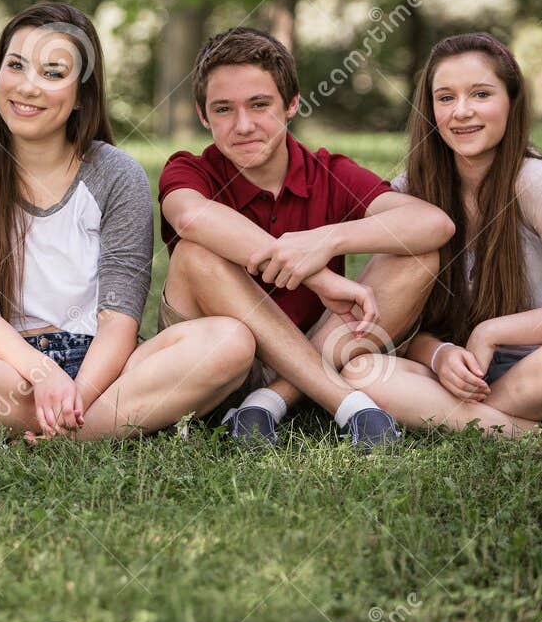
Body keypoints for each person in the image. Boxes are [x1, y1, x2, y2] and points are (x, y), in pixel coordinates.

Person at [0, 2, 255, 446]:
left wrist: (79, 392)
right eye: (16, 66)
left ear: (81, 95)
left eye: (52, 73)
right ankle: (108, 429)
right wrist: (43, 373)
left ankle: (66, 435)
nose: (28, 87)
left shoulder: (116, 174)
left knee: (230, 341)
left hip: (106, 369)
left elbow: (118, 319)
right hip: (9, 368)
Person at [157, 27, 455, 448]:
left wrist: (328, 240)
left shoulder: (327, 171)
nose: (242, 125)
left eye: (259, 105)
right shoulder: (189, 169)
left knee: (416, 254)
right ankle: (347, 404)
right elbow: (189, 216)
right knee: (194, 252)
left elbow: (432, 223)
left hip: (311, 343)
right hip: (216, 354)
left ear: (292, 103)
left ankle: (271, 401)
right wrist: (317, 276)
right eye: (223, 109)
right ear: (203, 116)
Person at [344, 33, 542, 435]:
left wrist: (492, 332)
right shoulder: (411, 191)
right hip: (461, 373)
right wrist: (441, 355)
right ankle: (530, 431)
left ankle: (476, 422)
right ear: (430, 110)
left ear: (512, 103)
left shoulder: (531, 180)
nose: (461, 112)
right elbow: (405, 326)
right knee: (362, 370)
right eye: (445, 98)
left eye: (481, 94)